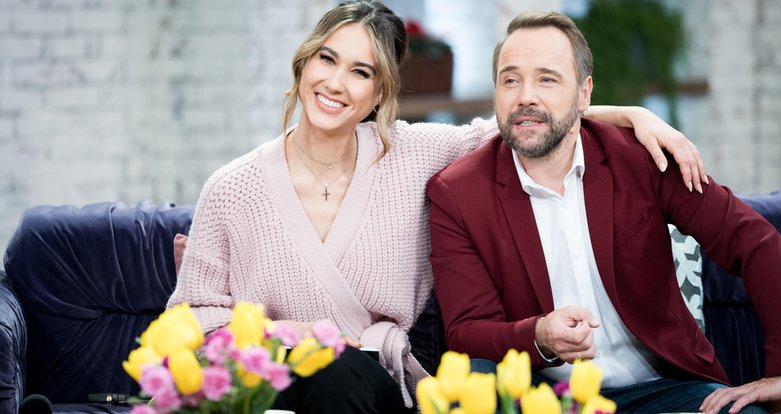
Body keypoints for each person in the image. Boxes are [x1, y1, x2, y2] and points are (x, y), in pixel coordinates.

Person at [166, 1, 708, 413]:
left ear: (380, 94)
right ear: (302, 64)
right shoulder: (232, 188)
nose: (335, 83)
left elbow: (521, 122)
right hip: (271, 382)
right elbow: (192, 319)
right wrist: (294, 338)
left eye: (361, 72)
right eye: (326, 60)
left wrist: (633, 115)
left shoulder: (410, 154)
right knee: (324, 373)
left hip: (376, 383)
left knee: (343, 374)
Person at [427, 10, 781, 414]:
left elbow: (754, 242)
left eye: (547, 79)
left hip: (661, 389)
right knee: (474, 378)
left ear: (584, 94)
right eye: (510, 80)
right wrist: (539, 335)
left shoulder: (643, 157)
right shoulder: (458, 193)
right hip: (542, 395)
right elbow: (467, 330)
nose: (525, 95)